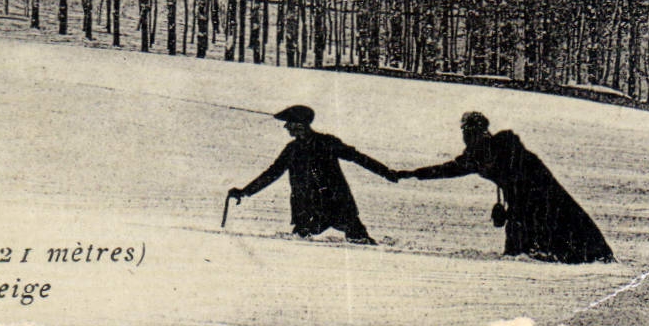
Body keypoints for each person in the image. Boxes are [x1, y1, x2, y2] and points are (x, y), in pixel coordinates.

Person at [395, 111, 613, 263]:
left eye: (468, 133)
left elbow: (454, 169)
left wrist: (412, 174)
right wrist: (413, 174)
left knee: (537, 242)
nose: (465, 138)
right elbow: (451, 169)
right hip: (532, 201)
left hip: (536, 200)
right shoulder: (489, 152)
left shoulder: (496, 151)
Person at [227, 105, 400, 244]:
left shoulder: (326, 143)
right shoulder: (292, 149)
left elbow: (358, 158)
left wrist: (387, 173)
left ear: (300, 125)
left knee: (359, 240)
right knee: (302, 240)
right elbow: (272, 173)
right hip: (308, 207)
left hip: (335, 203)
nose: (285, 126)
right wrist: (244, 191)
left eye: (289, 123)